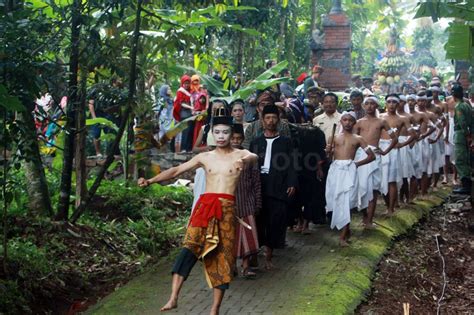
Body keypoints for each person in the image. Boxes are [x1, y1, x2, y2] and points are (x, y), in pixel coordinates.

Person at [138, 109, 258, 315]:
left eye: (225, 132)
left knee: (223, 259)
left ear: (231, 134)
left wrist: (245, 161)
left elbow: (254, 156)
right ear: (212, 133)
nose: (221, 136)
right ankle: (174, 297)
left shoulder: (240, 154)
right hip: (205, 208)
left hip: (227, 211)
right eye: (217, 132)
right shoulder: (205, 157)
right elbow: (177, 170)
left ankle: (214, 309)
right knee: (188, 249)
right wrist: (150, 180)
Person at [249, 105, 297, 269]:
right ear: (262, 121)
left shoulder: (286, 142)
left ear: (279, 120)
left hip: (278, 185)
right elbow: (249, 165)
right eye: (267, 118)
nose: (271, 121)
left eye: (273, 118)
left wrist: (292, 182)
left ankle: (269, 256)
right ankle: (255, 253)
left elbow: (292, 164)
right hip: (259, 184)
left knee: (275, 220)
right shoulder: (256, 142)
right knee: (258, 219)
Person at [326, 111, 375, 246]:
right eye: (345, 120)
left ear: (354, 123)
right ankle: (345, 231)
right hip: (335, 171)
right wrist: (328, 152)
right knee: (336, 200)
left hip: (350, 171)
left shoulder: (359, 139)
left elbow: (372, 156)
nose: (347, 123)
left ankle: (342, 237)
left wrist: (356, 164)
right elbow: (328, 158)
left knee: (347, 202)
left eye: (350, 120)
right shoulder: (333, 138)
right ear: (341, 122)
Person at [353, 96, 397, 228]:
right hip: (361, 155)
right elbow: (354, 141)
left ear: (377, 106)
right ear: (363, 106)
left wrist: (384, 151)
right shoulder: (358, 122)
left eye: (373, 104)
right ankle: (364, 217)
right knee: (360, 187)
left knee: (373, 188)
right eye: (367, 104)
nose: (370, 106)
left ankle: (370, 221)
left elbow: (394, 139)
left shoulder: (382, 122)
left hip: (374, 157)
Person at [231, 124, 261, 278]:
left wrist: (258, 202)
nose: (236, 141)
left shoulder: (249, 157)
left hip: (247, 201)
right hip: (230, 203)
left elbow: (256, 181)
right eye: (233, 138)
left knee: (248, 234)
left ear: (243, 139)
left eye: (239, 138)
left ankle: (246, 266)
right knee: (230, 235)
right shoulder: (224, 157)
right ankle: (231, 266)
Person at [379, 94, 415, 215]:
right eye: (389, 101)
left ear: (399, 104)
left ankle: (391, 208)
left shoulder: (402, 119)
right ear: (385, 103)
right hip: (380, 148)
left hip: (394, 149)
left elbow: (413, 134)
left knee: (392, 180)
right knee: (382, 178)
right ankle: (388, 204)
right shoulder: (380, 117)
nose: (392, 104)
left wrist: (401, 145)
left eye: (394, 102)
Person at [452, 84, 473, 194]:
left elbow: (462, 122)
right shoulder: (467, 105)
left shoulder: (459, 106)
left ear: (453, 95)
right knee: (465, 158)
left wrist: (467, 135)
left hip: (461, 134)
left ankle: (466, 185)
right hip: (466, 134)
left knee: (460, 159)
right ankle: (467, 184)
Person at [172, 75, 193, 152]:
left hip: (190, 114)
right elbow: (181, 103)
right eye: (185, 83)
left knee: (189, 131)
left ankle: (187, 148)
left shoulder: (190, 91)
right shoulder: (180, 91)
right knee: (185, 131)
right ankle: (183, 148)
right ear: (182, 83)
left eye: (188, 83)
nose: (187, 85)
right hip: (184, 114)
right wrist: (191, 108)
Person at [443, 95, 458, 185]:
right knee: (446, 156)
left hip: (456, 135)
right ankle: (445, 176)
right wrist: (445, 135)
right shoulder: (445, 111)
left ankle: (454, 177)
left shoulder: (461, 105)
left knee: (455, 157)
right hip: (446, 135)